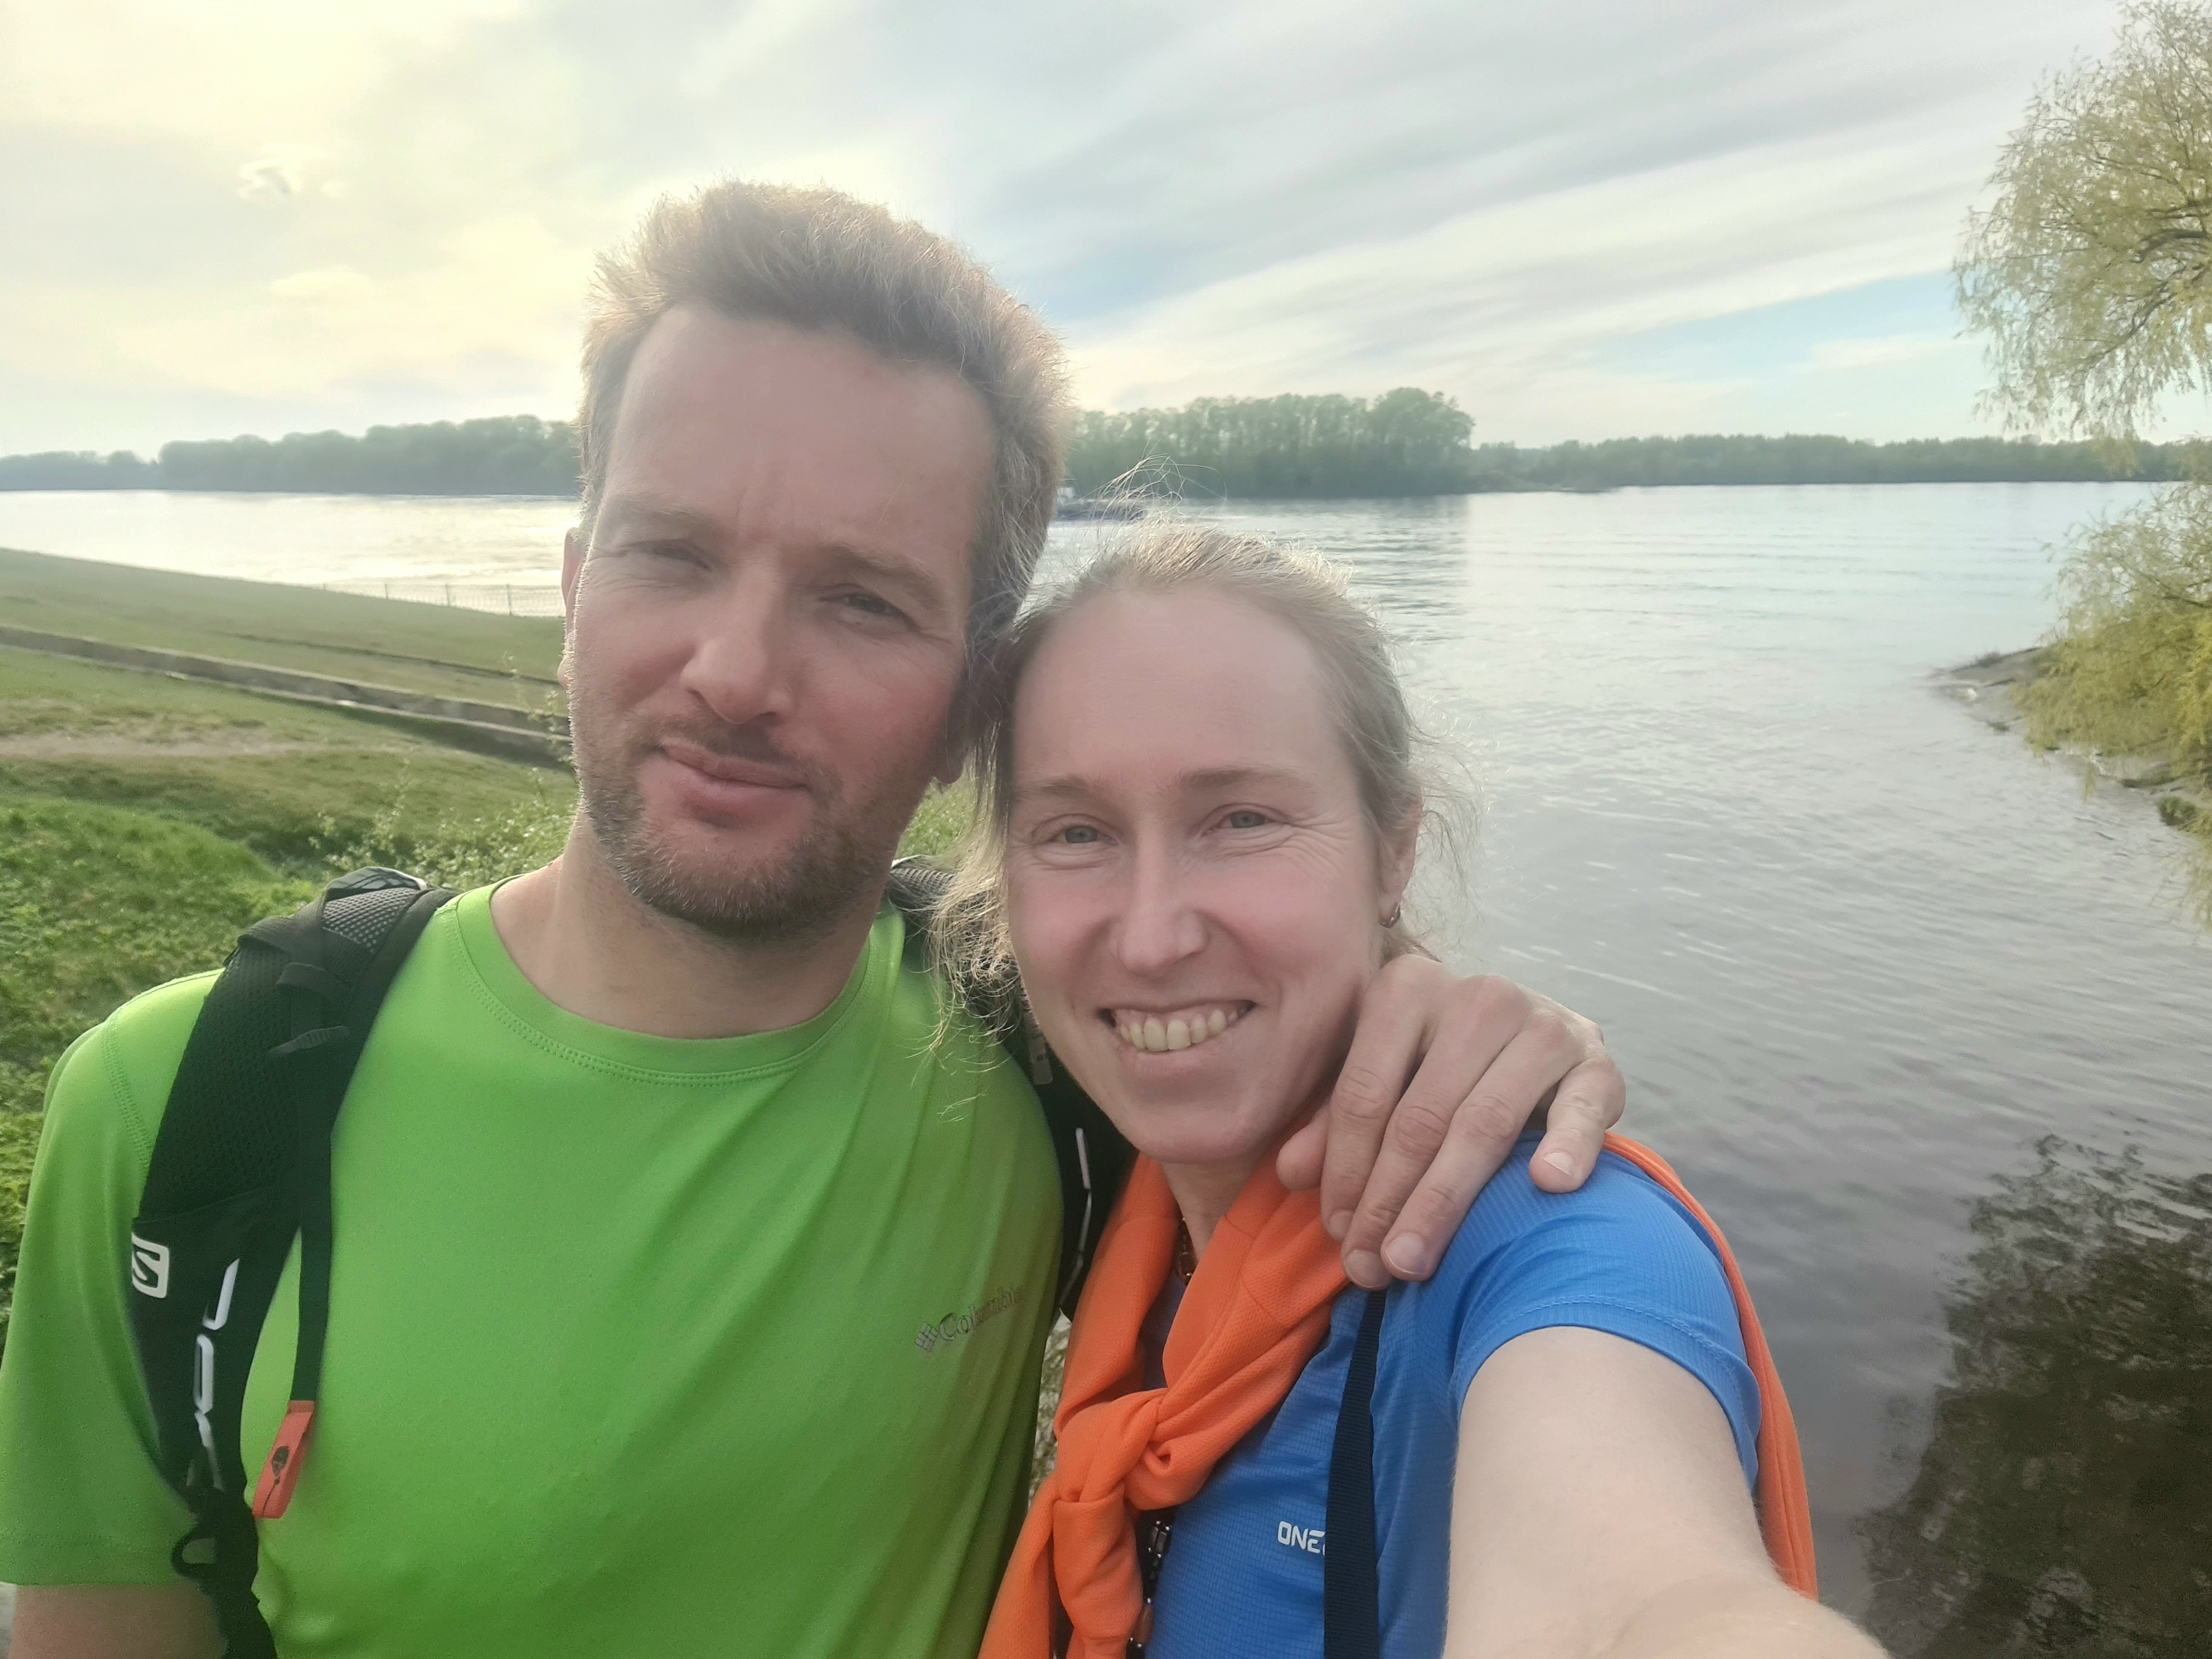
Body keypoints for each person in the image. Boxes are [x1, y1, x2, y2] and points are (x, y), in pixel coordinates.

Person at [0, 182, 1631, 1659]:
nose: (736, 674)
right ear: (572, 587)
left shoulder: (1043, 1056)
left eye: (861, 598)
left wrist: (1439, 1016)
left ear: (971, 706)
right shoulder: (187, 1107)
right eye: (671, 554)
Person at [949, 526, 1885, 1658]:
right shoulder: (1090, 1172)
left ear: (1394, 851)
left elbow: (1647, 1599)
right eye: (1075, 832)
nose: (1151, 939)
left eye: (1242, 819)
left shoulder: (1544, 1238)